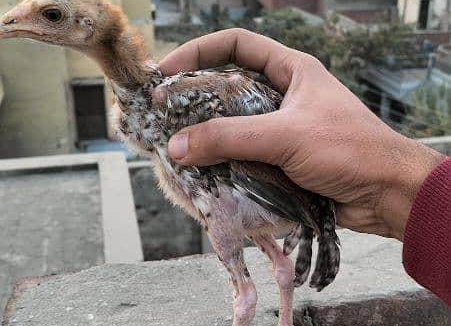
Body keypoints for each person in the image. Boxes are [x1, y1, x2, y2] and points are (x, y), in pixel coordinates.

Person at [159, 29, 451, 308]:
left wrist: (389, 186)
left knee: (253, 284)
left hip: (273, 199)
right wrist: (391, 191)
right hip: (280, 202)